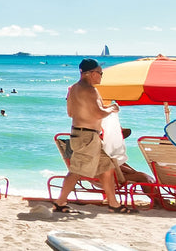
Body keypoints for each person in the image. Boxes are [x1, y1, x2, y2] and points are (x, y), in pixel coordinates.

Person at [51, 59, 133, 214]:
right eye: (100, 73)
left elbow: (70, 113)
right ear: (91, 73)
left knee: (107, 168)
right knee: (76, 170)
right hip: (87, 136)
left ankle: (113, 204)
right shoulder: (90, 90)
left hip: (82, 134)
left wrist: (100, 110)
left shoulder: (74, 89)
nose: (101, 76)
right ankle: (60, 202)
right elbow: (98, 113)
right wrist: (112, 109)